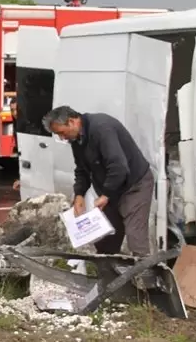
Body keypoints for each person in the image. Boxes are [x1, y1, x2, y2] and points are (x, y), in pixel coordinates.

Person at [43, 105, 154, 255]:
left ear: (72, 122)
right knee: (106, 242)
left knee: (136, 239)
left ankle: (148, 277)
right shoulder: (76, 139)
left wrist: (105, 195)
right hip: (111, 190)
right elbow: (82, 169)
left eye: (62, 133)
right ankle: (110, 278)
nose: (62, 138)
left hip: (134, 186)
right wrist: (79, 195)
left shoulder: (101, 128)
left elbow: (118, 167)